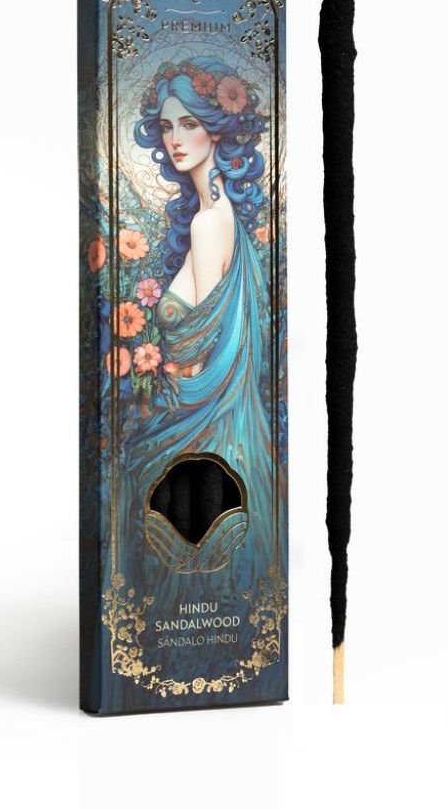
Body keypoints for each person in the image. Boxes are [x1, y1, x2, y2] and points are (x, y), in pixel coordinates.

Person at [120, 55, 276, 602]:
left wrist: (166, 372)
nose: (175, 139)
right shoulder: (212, 214)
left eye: (189, 123)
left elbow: (206, 338)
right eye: (167, 126)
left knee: (139, 472)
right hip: (204, 415)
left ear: (216, 126)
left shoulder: (211, 223)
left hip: (206, 416)